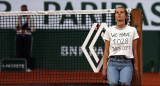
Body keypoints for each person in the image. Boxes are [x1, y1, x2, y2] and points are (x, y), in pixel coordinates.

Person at [102, 7, 139, 86]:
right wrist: (104, 68)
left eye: (121, 12)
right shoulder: (109, 30)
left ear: (126, 16)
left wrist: (136, 67)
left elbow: (134, 50)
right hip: (112, 63)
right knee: (113, 83)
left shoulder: (132, 30)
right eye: (117, 12)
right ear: (115, 16)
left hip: (127, 63)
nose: (119, 14)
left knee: (124, 83)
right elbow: (106, 51)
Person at [14, 5, 35, 72]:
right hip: (19, 36)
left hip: (27, 37)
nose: (23, 11)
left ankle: (28, 67)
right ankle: (18, 67)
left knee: (27, 52)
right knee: (18, 52)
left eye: (24, 10)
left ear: (27, 10)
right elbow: (14, 28)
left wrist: (28, 29)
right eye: (22, 10)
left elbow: (34, 29)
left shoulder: (30, 19)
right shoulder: (18, 18)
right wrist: (18, 28)